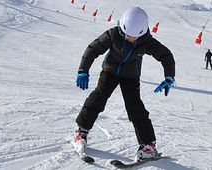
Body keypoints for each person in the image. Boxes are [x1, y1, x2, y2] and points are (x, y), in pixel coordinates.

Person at [72, 7, 175, 161]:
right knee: (98, 97)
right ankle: (81, 132)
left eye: (134, 37)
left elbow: (166, 56)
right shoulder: (113, 34)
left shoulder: (146, 42)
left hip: (131, 77)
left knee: (135, 107)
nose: (129, 38)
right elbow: (93, 49)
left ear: (141, 33)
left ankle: (148, 146)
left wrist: (169, 77)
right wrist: (83, 70)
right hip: (110, 72)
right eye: (127, 34)